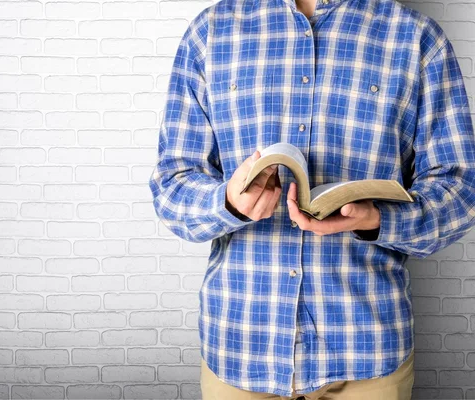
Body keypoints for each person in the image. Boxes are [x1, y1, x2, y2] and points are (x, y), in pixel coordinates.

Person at [148, 0, 475, 397]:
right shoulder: (211, 32)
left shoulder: (417, 38)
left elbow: (461, 190)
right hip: (241, 346)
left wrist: (377, 220)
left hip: (367, 352)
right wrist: (228, 203)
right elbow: (172, 184)